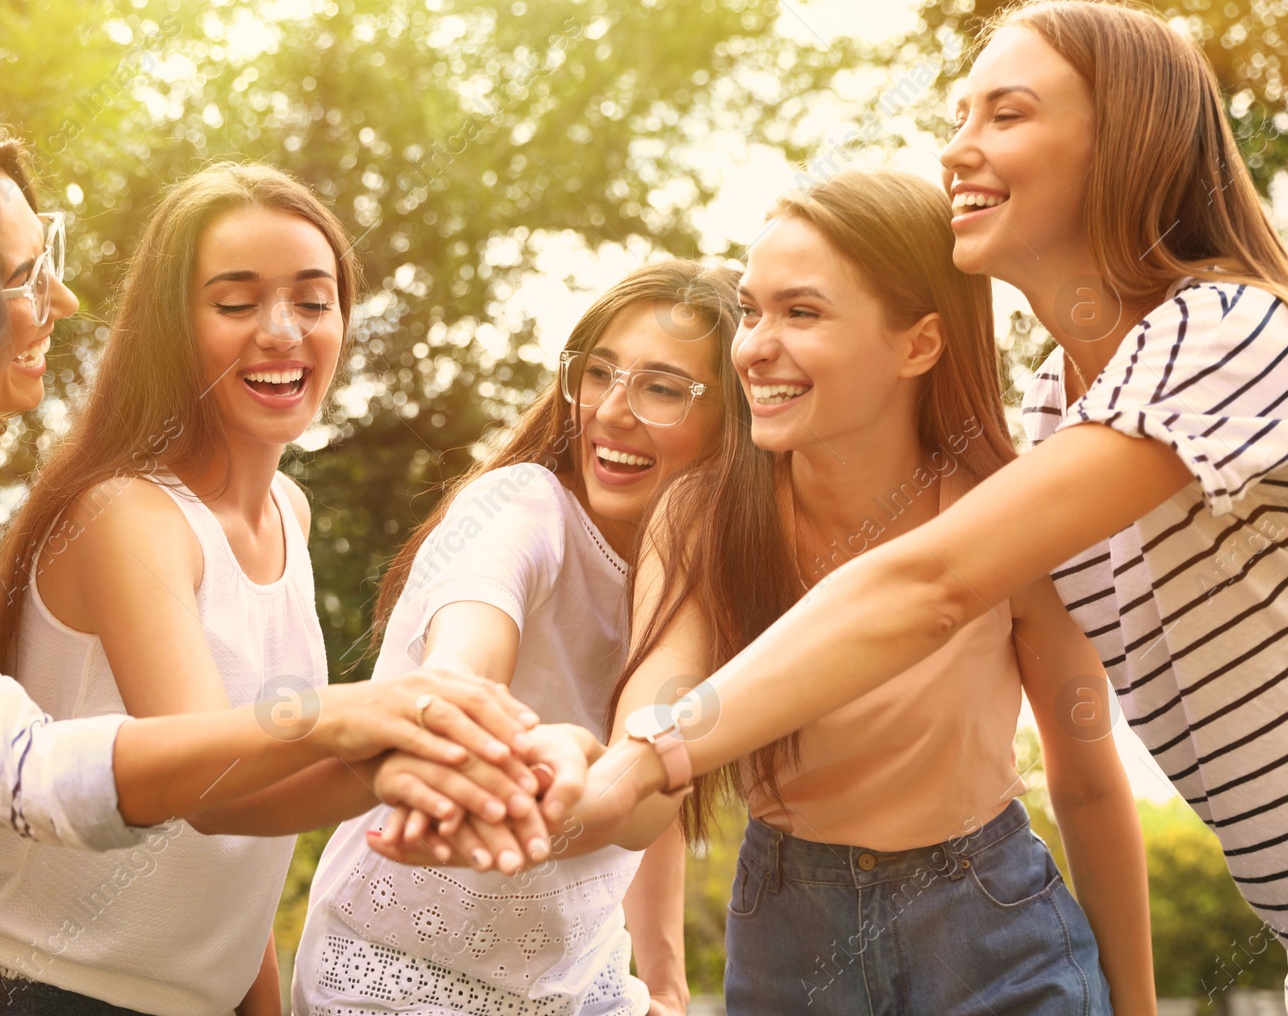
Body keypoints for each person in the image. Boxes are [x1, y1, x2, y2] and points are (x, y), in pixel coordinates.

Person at [0, 123, 547, 1014]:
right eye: (22, 275)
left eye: (314, 298)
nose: (61, 298)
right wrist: (360, 717)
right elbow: (25, 769)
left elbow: (213, 830)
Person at [531, 0, 1288, 989]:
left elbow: (925, 583)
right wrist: (602, 768)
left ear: (1126, 138)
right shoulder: (1066, 405)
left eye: (1005, 115)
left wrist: (651, 752)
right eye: (959, 115)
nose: (956, 150)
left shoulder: (1224, 330)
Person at [295, 260, 742, 1016]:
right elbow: (464, 663)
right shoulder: (520, 506)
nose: (611, 411)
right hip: (397, 974)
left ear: (734, 421)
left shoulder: (698, 586)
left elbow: (654, 771)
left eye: (662, 388)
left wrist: (666, 984)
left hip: (579, 987)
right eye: (597, 373)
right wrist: (456, 715)